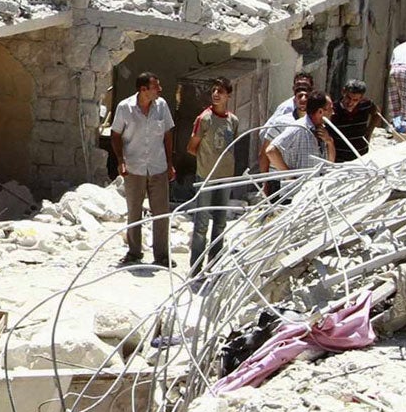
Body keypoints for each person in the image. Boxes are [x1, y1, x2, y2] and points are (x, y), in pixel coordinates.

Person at [110, 72, 175, 266]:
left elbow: (168, 135)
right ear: (143, 89)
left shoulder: (162, 106)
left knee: (161, 212)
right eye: (156, 86)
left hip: (158, 166)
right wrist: (120, 160)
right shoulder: (125, 108)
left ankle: (162, 255)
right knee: (134, 212)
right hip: (134, 167)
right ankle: (134, 252)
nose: (160, 90)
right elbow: (115, 135)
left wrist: (170, 164)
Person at [185, 80, 243, 273]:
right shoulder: (205, 119)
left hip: (225, 178)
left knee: (220, 223)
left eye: (221, 91)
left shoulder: (232, 121)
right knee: (201, 223)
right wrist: (206, 161)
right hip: (206, 178)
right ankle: (196, 267)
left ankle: (213, 265)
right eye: (214, 91)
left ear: (228, 96)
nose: (216, 94)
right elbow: (192, 147)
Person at [257, 71, 316, 171]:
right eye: (298, 86)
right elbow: (267, 140)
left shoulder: (314, 120)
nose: (303, 99)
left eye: (305, 86)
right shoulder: (285, 112)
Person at [265, 91, 332, 174]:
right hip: (299, 184)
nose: (332, 113)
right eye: (330, 109)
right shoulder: (298, 128)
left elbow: (330, 163)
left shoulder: (322, 131)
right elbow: (271, 151)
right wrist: (289, 176)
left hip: (316, 184)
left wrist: (329, 142)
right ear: (320, 112)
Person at [327, 80, 385, 162]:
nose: (350, 103)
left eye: (355, 100)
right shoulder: (333, 110)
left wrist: (369, 131)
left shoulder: (366, 105)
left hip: (362, 157)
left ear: (361, 98)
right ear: (343, 92)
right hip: (340, 160)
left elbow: (377, 114)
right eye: (348, 98)